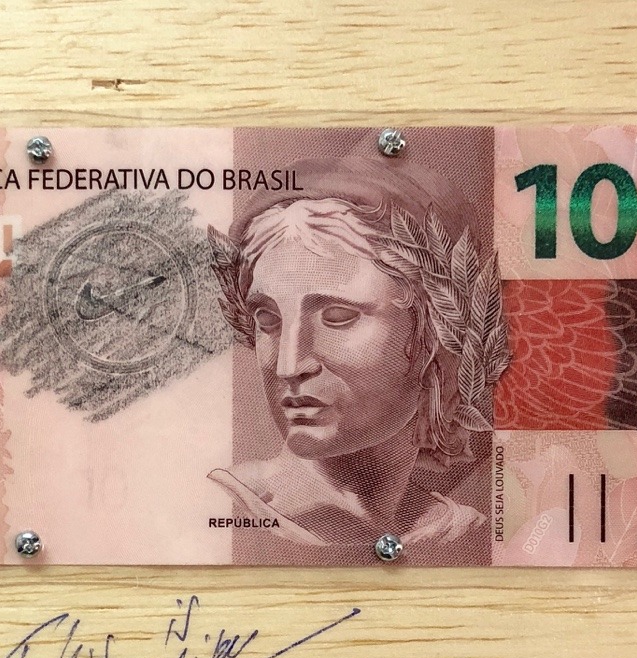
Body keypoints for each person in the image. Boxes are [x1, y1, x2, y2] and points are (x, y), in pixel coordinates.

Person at [207, 158, 510, 550]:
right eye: (268, 320)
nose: (288, 365)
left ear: (436, 332)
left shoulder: (462, 534)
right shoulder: (227, 506)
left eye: (337, 317)